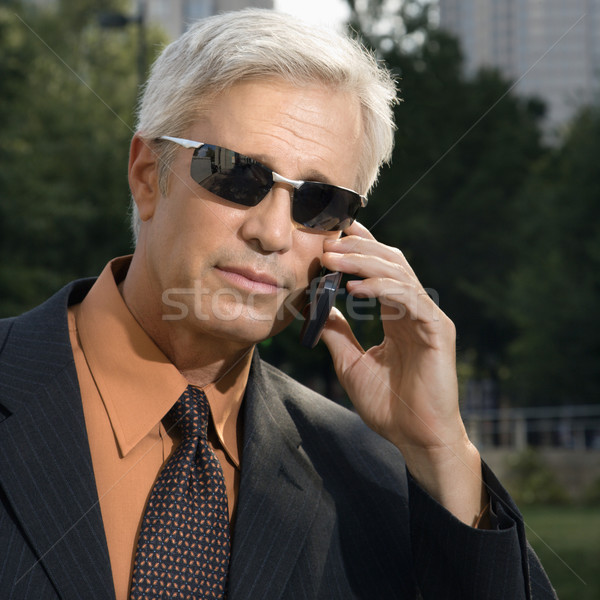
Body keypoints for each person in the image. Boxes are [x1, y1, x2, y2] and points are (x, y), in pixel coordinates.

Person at [0, 8, 556, 600]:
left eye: (318, 201)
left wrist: (440, 449)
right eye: (237, 175)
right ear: (146, 176)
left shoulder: (377, 478)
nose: (272, 231)